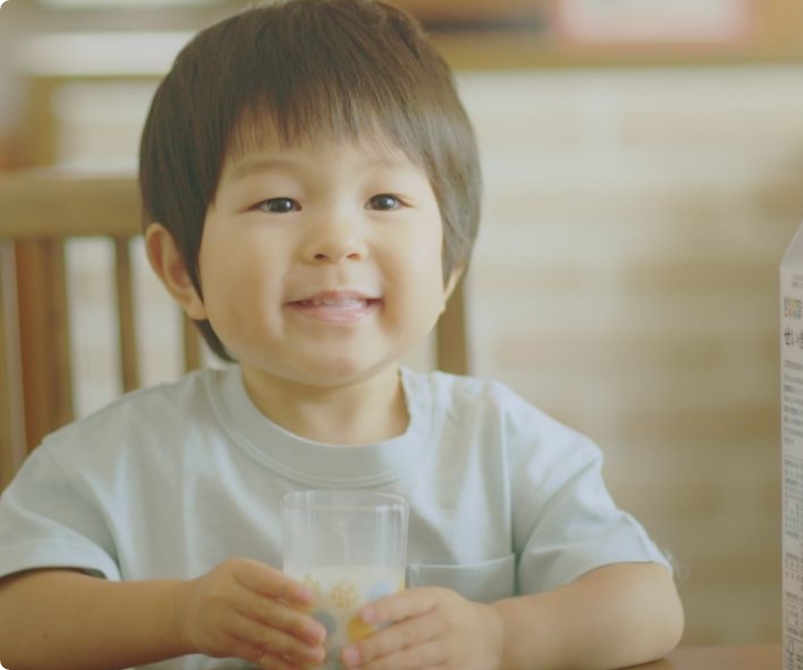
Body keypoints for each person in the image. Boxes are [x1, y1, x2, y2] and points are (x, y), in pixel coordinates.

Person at [0, 1, 684, 669]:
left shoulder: (503, 447)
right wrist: (181, 615)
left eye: (384, 200)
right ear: (181, 268)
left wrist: (499, 637)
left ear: (449, 269)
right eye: (279, 202)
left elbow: (649, 607)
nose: (335, 241)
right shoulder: (112, 463)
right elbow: (17, 620)